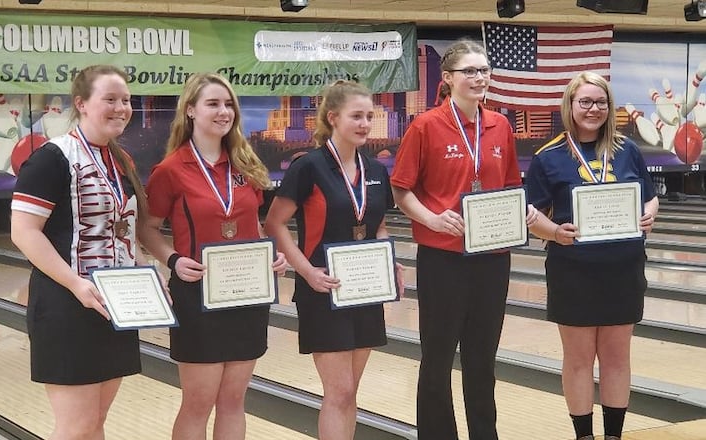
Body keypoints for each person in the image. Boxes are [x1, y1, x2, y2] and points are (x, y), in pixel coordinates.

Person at [390, 38, 538, 440]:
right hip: (443, 258)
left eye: (484, 70)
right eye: (469, 71)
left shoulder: (500, 125)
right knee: (437, 359)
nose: (479, 77)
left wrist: (518, 211)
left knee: (482, 360)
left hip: (492, 257)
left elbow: (509, 186)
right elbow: (400, 191)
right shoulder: (425, 125)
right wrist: (433, 219)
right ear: (449, 78)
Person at [137, 72, 287, 440]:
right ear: (190, 111)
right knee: (198, 402)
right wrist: (173, 261)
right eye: (213, 104)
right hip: (197, 295)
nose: (224, 112)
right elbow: (146, 229)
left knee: (234, 400)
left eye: (228, 104)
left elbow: (258, 224)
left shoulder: (246, 163)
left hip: (248, 294)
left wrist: (274, 256)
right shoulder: (170, 170)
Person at [10, 64, 146, 439]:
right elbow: (23, 232)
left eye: (126, 100)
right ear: (82, 104)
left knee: (95, 424)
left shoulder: (121, 161)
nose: (121, 107)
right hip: (66, 306)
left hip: (113, 305)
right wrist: (76, 283)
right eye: (110, 99)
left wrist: (146, 276)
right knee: (76, 428)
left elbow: (125, 231)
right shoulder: (52, 158)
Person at [264, 80, 403, 440]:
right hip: (322, 291)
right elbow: (274, 223)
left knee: (350, 393)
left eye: (369, 117)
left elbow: (379, 227)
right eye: (356, 116)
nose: (364, 124)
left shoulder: (375, 170)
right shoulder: (308, 167)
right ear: (333, 118)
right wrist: (306, 271)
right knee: (338, 392)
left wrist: (390, 261)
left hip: (364, 291)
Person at [525, 71, 658, 440]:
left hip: (623, 268)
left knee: (617, 358)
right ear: (570, 106)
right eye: (585, 101)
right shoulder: (548, 156)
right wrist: (554, 232)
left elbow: (649, 194)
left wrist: (651, 212)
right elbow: (530, 213)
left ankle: (614, 435)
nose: (593, 109)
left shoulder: (627, 149)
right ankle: (583, 435)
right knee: (580, 360)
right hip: (574, 271)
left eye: (600, 102)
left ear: (609, 107)